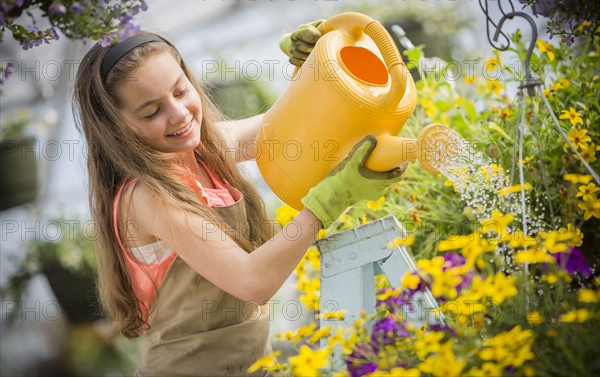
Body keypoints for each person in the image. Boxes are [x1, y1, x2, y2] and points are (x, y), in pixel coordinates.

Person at [72, 20, 406, 376]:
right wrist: (332, 199)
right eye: (152, 111)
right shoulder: (148, 197)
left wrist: (313, 73)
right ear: (116, 128)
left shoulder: (207, 149)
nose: (179, 114)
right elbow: (252, 282)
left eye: (181, 91)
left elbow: (292, 128)